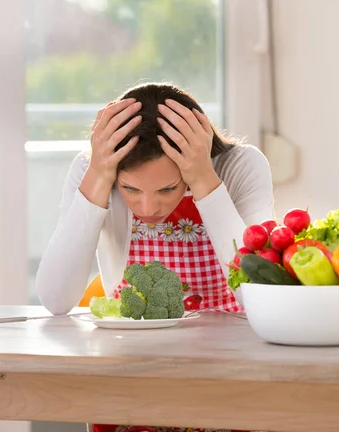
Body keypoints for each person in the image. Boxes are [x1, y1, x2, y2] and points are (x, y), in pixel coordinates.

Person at [35, 82, 274, 432]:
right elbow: (56, 299)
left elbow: (261, 296)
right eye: (130, 189)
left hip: (230, 369)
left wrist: (204, 179)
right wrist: (100, 176)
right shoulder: (95, 169)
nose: (148, 207)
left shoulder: (242, 166)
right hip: (127, 368)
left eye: (167, 189)